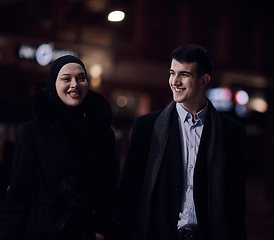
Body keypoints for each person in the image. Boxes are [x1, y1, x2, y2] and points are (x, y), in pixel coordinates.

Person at [118, 44, 246, 240]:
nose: (175, 82)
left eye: (184, 75)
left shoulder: (231, 131)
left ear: (203, 80)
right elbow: (129, 192)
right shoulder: (147, 126)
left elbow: (236, 200)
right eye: (172, 73)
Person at [0, 55, 122, 240]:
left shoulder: (102, 133)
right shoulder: (32, 132)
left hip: (86, 231)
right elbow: (19, 194)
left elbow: (109, 191)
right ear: (53, 84)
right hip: (41, 231)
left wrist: (104, 231)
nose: (75, 84)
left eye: (81, 78)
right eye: (66, 79)